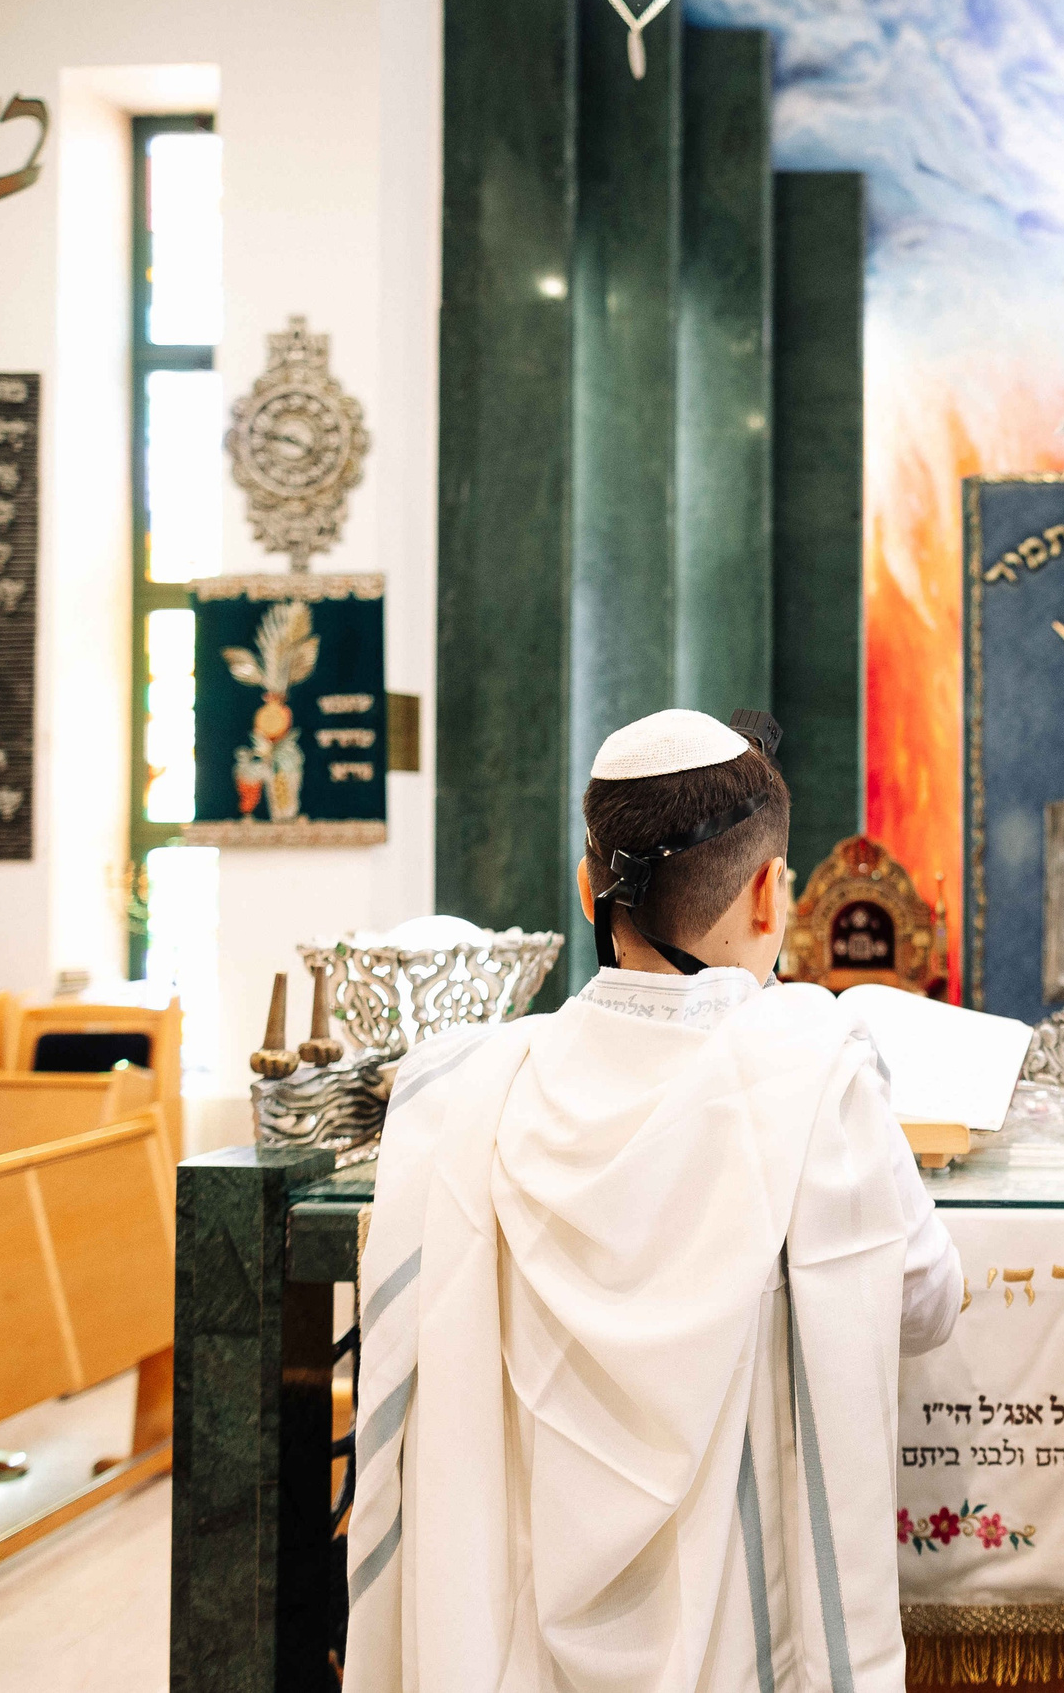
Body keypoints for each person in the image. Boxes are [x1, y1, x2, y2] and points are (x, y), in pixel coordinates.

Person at [345, 709, 961, 1693]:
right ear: (772, 895)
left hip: (510, 1633)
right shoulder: (809, 1073)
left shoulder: (467, 1088)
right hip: (729, 1633)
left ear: (590, 889)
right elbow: (926, 1305)